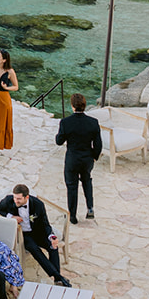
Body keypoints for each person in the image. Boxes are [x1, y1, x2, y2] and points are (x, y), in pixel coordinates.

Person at [0, 185, 71, 286]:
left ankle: (57, 279)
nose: (15, 201)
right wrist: (11, 217)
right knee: (35, 250)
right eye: (14, 197)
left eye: (18, 199)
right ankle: (59, 277)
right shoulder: (9, 200)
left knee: (53, 246)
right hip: (23, 234)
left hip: (38, 232)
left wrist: (52, 237)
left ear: (26, 197)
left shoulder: (38, 204)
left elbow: (45, 224)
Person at [55, 91, 103, 223]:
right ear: (84, 105)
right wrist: (94, 157)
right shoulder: (93, 122)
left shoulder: (66, 122)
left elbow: (59, 141)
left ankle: (73, 216)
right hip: (87, 158)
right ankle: (90, 207)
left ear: (72, 106)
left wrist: (61, 133)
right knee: (87, 180)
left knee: (72, 186)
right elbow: (98, 144)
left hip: (72, 159)